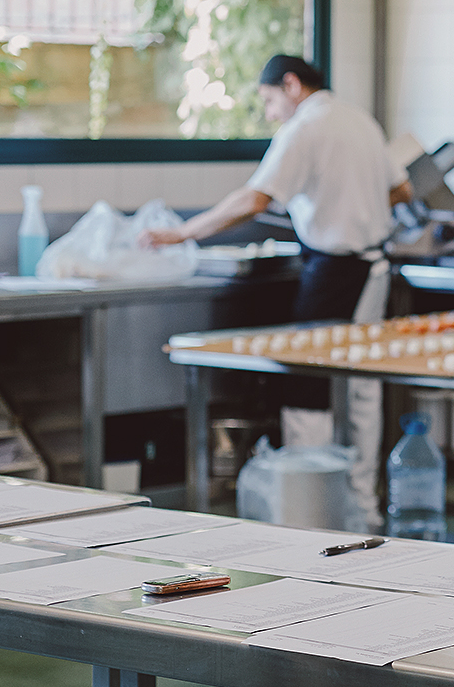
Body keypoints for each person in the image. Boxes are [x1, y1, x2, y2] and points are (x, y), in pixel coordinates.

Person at [143, 54, 412, 529]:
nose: (270, 113)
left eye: (269, 100)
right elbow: (402, 190)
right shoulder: (360, 120)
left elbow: (253, 199)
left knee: (307, 385)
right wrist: (347, 202)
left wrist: (183, 233)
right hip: (374, 267)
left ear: (291, 85)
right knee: (362, 387)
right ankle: (361, 510)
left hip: (336, 271)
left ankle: (311, 517)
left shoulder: (305, 127)